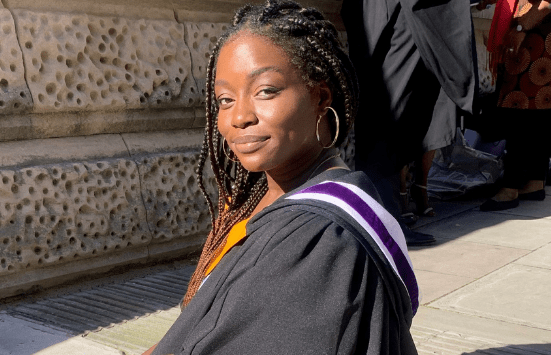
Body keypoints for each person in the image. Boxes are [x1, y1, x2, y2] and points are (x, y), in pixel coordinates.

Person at [145, 1, 419, 354]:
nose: (239, 116)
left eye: (266, 91)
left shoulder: (317, 242)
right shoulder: (264, 193)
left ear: (320, 98)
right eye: (225, 99)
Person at [341, 0, 478, 244]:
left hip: (377, 14)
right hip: (397, 16)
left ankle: (384, 218)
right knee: (388, 117)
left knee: (382, 115)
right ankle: (384, 222)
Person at [478, 0, 551, 211]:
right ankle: (535, 181)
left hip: (534, 33)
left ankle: (510, 188)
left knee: (519, 110)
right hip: (541, 33)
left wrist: (520, 27)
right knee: (539, 111)